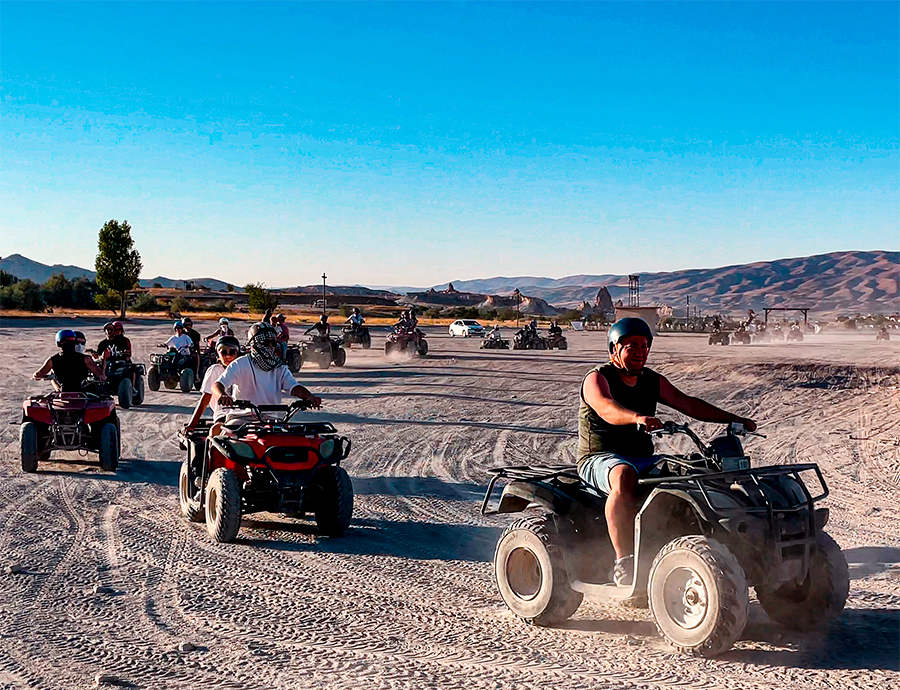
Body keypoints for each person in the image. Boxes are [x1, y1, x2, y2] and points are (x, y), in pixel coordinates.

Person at [577, 317, 756, 587]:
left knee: (696, 470)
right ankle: (623, 561)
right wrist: (637, 417)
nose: (640, 351)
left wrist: (733, 418)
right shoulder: (597, 378)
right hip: (600, 457)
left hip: (645, 459)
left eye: (644, 346)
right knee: (624, 476)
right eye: (631, 346)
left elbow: (688, 404)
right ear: (615, 349)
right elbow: (606, 408)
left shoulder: (651, 380)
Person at [212, 322, 320, 416]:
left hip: (271, 419)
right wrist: (223, 395)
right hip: (241, 418)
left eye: (273, 343)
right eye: (265, 343)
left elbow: (294, 387)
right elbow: (217, 385)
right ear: (254, 344)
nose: (270, 347)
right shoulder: (240, 364)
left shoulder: (279, 367)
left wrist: (309, 396)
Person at [184, 335, 242, 436]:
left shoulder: (243, 369)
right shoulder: (215, 370)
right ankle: (211, 450)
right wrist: (192, 424)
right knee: (216, 430)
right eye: (223, 352)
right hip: (224, 415)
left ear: (238, 353)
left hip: (245, 415)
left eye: (232, 352)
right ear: (218, 353)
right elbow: (205, 399)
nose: (227, 356)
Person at [33, 330, 106, 392]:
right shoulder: (85, 359)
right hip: (81, 392)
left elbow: (38, 375)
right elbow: (101, 375)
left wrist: (40, 375)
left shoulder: (52, 360)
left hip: (64, 392)